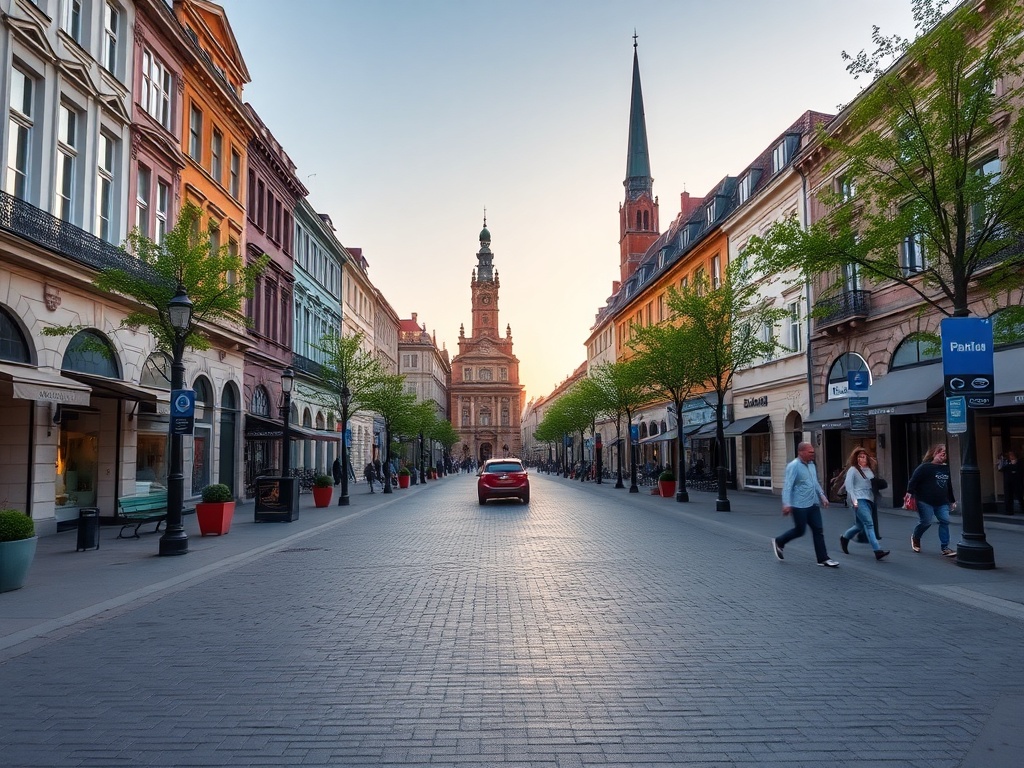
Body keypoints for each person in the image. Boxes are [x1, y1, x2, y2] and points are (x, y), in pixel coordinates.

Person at [772, 442, 839, 567]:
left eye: (813, 452)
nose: (813, 454)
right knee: (800, 530)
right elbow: (787, 486)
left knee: (818, 530)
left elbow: (815, 482)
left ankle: (823, 558)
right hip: (799, 505)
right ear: (801, 452)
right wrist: (786, 504)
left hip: (813, 504)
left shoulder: (812, 465)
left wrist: (822, 496)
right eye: (810, 452)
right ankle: (780, 541)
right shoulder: (793, 466)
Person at [839, 447, 890, 560]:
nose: (861, 459)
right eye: (859, 457)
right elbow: (849, 487)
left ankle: (844, 537)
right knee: (869, 524)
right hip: (859, 499)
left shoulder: (870, 470)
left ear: (867, 458)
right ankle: (877, 550)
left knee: (859, 525)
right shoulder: (853, 470)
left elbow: (873, 484)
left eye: (863, 456)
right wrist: (854, 501)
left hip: (869, 499)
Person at [906, 443, 957, 556]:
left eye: (945, 453)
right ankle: (916, 537)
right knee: (926, 522)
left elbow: (948, 485)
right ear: (934, 453)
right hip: (925, 500)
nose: (942, 455)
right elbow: (913, 480)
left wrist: (952, 500)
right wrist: (909, 494)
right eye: (940, 452)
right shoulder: (925, 467)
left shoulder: (945, 468)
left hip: (942, 502)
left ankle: (945, 547)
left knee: (945, 521)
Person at [998, 451, 1023, 515]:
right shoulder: (1007, 463)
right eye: (1010, 455)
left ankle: (1022, 508)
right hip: (1008, 482)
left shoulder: (1019, 463)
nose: (1010, 456)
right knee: (1008, 496)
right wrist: (1001, 460)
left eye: (1012, 455)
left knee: (1019, 496)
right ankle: (1009, 510)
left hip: (1017, 481)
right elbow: (1001, 469)